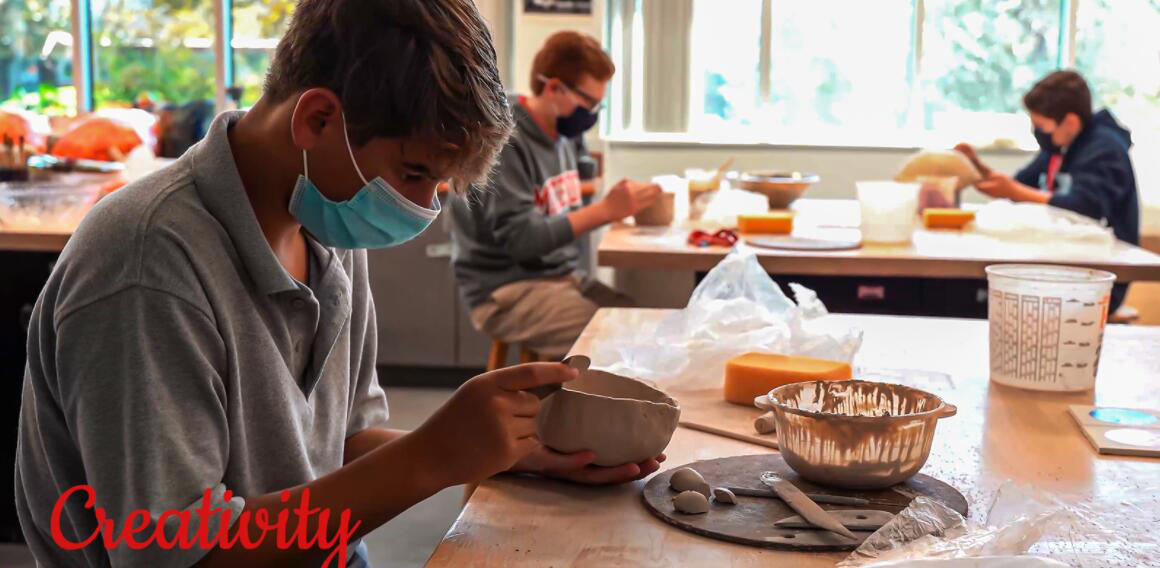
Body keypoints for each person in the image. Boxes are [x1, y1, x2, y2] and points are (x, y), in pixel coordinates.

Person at [15, 2, 660, 566]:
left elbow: (342, 445)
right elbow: (181, 555)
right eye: (414, 174)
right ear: (319, 120)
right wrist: (431, 457)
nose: (424, 208)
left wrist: (501, 449)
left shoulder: (326, 222)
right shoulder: (146, 268)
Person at [448, 31, 660, 360]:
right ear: (554, 88)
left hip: (560, 277)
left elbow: (576, 180)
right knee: (614, 344)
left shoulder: (562, 132)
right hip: (506, 289)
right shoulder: (506, 141)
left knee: (643, 327)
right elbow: (521, 241)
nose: (592, 114)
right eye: (589, 103)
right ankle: (559, 396)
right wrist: (606, 210)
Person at [957, 70, 1139, 312]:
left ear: (1070, 122)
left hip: (1098, 279)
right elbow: (1019, 186)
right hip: (1060, 261)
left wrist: (1014, 190)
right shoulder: (1059, 146)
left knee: (974, 298)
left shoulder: (1106, 150)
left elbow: (1087, 206)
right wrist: (976, 168)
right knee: (967, 290)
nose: (1037, 132)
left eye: (1040, 125)